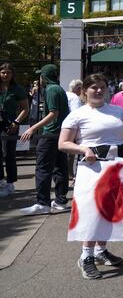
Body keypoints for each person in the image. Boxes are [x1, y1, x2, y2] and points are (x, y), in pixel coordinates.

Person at [58, 73, 123, 279]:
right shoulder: (77, 114)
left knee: (110, 210)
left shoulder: (118, 111)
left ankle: (101, 252)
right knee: (92, 212)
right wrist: (83, 149)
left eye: (102, 87)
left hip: (118, 167)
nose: (99, 91)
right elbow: (63, 143)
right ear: (85, 91)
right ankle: (86, 256)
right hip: (92, 169)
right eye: (94, 87)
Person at [19, 64, 70, 215]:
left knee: (43, 169)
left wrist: (32, 128)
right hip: (60, 133)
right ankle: (60, 200)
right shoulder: (59, 89)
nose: (39, 79)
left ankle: (43, 203)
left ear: (44, 77)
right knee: (60, 167)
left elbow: (53, 113)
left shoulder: (51, 90)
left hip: (50, 134)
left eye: (41, 76)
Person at [0, 63, 29, 197]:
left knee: (8, 154)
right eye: (3, 72)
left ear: (12, 75)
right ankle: (1, 181)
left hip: (10, 125)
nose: (5, 75)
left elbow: (25, 109)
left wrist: (16, 122)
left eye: (8, 73)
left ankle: (10, 183)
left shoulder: (17, 89)